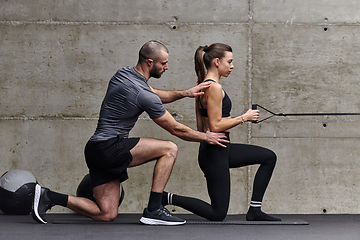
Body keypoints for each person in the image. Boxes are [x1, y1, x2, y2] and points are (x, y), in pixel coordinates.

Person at [31, 40, 229, 226]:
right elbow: (176, 128)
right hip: (110, 147)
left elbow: (154, 93)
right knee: (169, 149)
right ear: (150, 62)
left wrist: (184, 93)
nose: (166, 67)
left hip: (95, 149)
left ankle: (49, 196)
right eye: (164, 63)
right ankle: (154, 209)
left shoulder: (124, 74)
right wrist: (206, 136)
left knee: (106, 213)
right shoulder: (142, 94)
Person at [161, 43, 280, 221]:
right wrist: (244, 117)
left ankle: (255, 210)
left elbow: (202, 126)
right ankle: (165, 197)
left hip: (219, 150)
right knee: (218, 213)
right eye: (229, 61)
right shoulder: (214, 88)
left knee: (269, 157)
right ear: (217, 61)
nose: (232, 66)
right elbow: (215, 126)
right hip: (215, 152)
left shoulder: (201, 86)